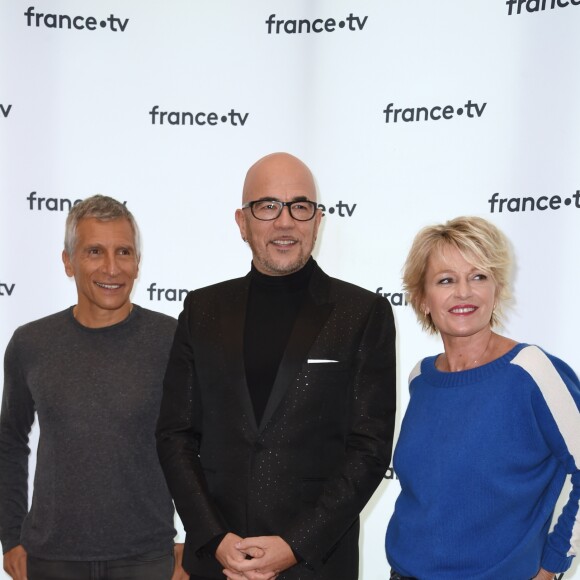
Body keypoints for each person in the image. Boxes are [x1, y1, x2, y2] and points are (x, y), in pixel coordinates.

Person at [156, 152, 397, 580]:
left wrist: (295, 546)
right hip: (219, 563)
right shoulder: (202, 310)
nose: (285, 221)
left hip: (315, 564)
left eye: (299, 206)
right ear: (242, 221)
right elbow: (176, 435)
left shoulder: (363, 313)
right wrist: (215, 539)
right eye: (267, 206)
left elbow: (369, 448)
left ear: (317, 220)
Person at [0, 195, 188, 580]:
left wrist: (201, 539)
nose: (112, 267)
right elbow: (9, 441)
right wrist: (10, 537)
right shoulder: (30, 342)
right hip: (51, 559)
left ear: (138, 262)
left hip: (147, 559)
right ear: (68, 262)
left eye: (124, 252)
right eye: (94, 252)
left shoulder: (172, 339)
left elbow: (202, 444)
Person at [385, 216, 580, 580]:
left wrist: (552, 564)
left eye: (479, 277)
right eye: (446, 280)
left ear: (497, 288)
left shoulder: (531, 370)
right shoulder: (421, 378)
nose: (464, 292)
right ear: (422, 299)